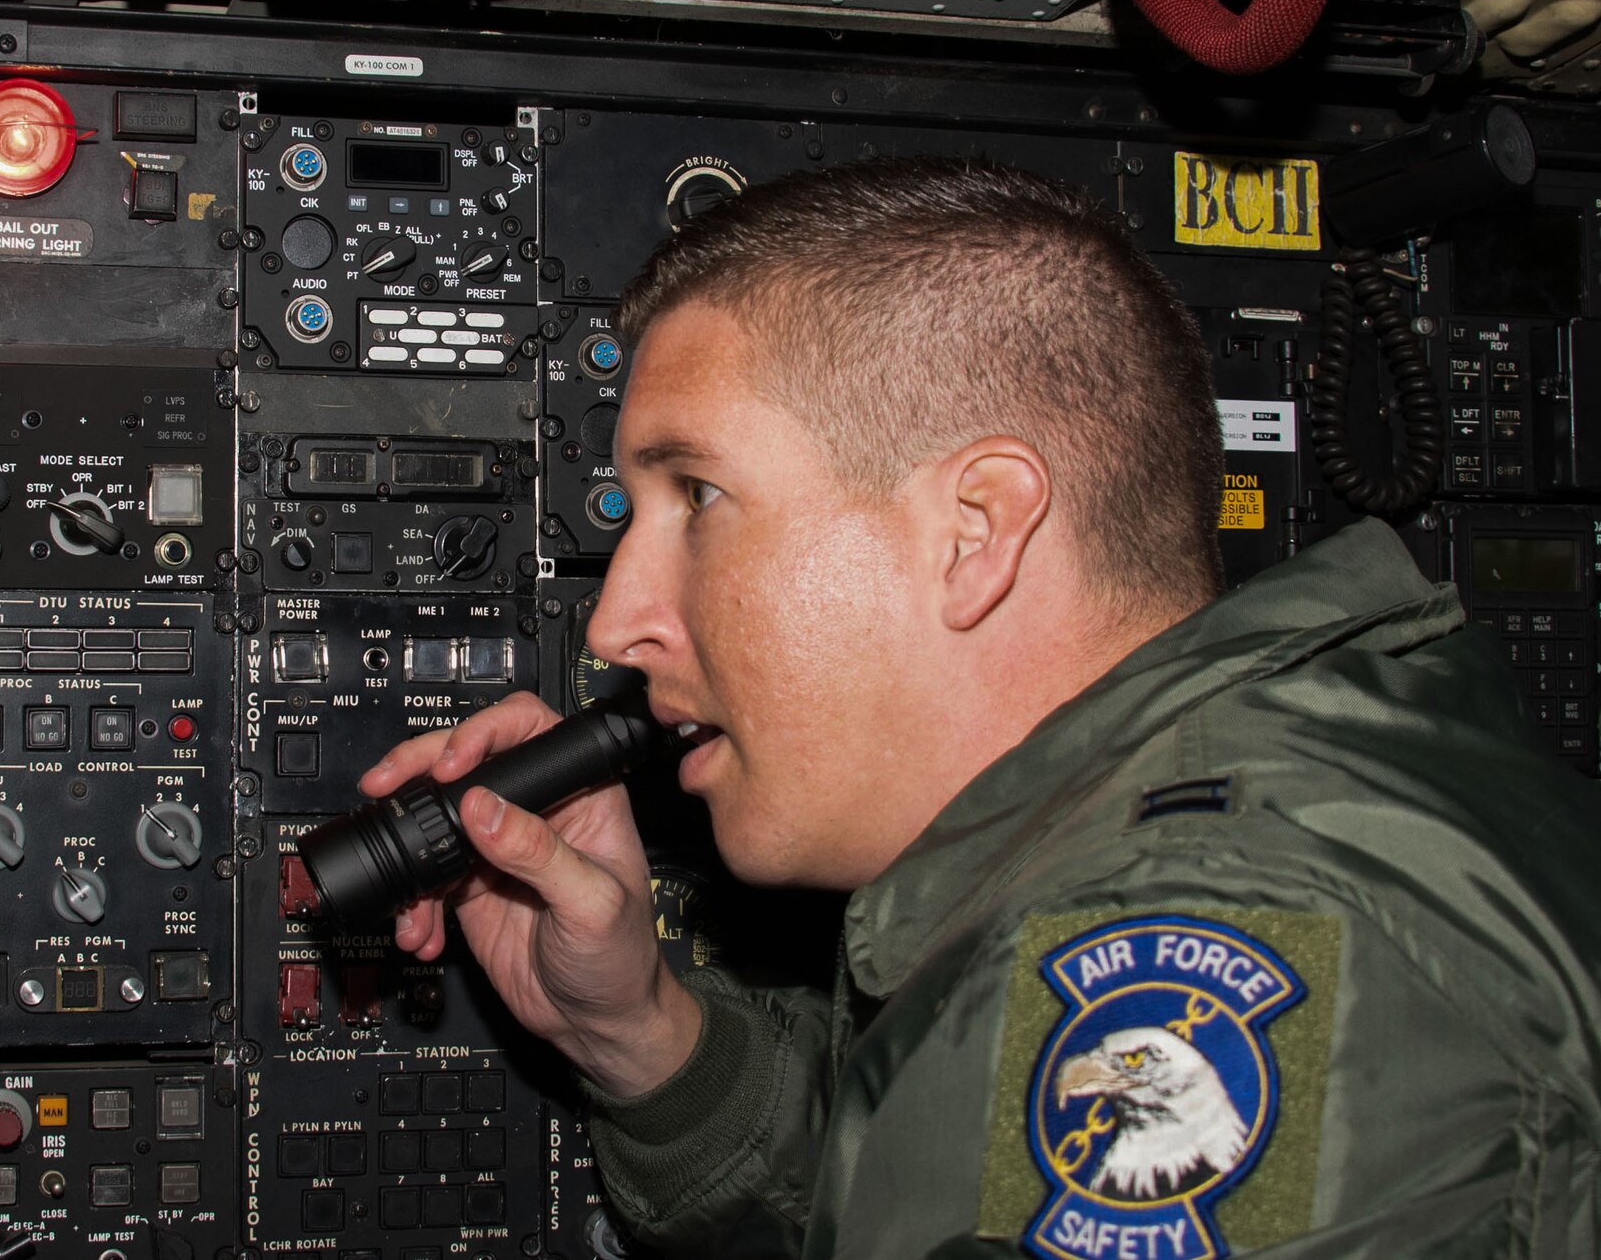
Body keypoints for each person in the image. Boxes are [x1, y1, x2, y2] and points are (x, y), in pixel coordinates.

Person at [362, 157, 1601, 1259]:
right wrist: (637, 1031)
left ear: (975, 529)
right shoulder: (1226, 830)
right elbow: (920, 1180)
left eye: (695, 494)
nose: (613, 621)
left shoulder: (1220, 950)